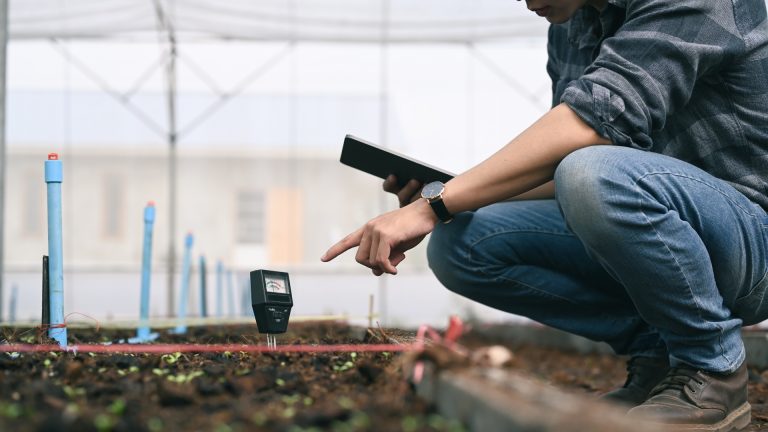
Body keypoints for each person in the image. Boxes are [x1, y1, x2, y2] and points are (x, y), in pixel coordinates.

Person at [321, 0, 768, 430]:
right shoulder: (571, 26)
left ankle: (712, 368)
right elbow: (562, 168)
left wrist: (437, 203)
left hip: (751, 243)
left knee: (592, 173)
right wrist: (443, 200)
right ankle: (659, 356)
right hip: (654, 223)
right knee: (462, 243)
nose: (525, 1)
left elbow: (591, 130)